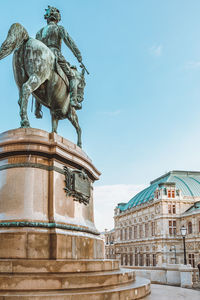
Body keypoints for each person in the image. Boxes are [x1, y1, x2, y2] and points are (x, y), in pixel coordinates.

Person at [35, 6, 82, 118]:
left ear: (48, 18)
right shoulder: (59, 29)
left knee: (37, 78)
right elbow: (69, 42)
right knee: (72, 77)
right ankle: (73, 100)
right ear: (57, 18)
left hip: (43, 56)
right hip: (55, 54)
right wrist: (78, 55)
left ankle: (38, 109)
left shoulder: (39, 32)